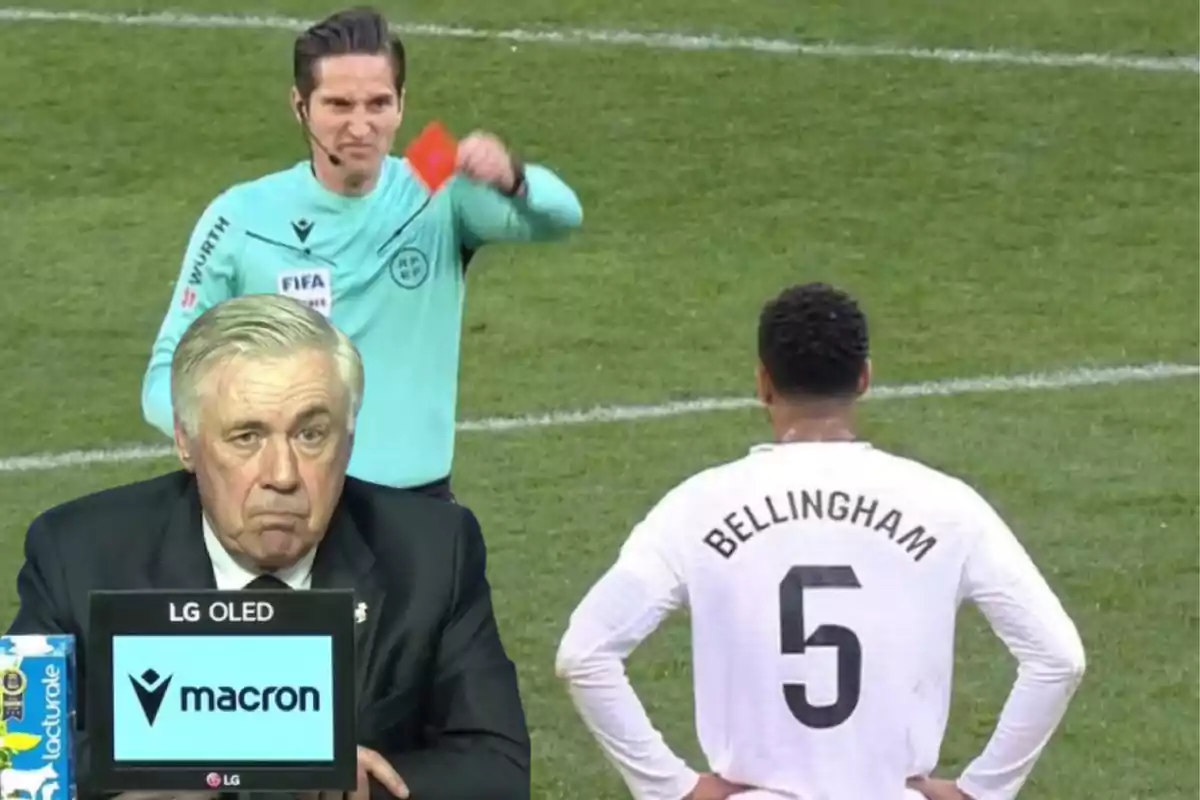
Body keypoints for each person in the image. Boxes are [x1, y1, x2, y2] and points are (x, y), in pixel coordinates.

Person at [554, 282, 1087, 800]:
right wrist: (984, 791)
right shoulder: (948, 505)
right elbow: (1058, 658)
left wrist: (671, 788)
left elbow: (584, 654)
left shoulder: (696, 506)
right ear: (864, 378)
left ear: (764, 382)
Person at [10, 295, 531, 800]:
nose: (281, 476)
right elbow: (21, 751)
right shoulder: (77, 553)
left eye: (311, 435)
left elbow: (497, 768)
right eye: (246, 437)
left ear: (349, 439)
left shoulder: (433, 552)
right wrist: (191, 774)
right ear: (185, 441)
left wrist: (361, 787)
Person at [140, 6, 584, 500]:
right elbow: (165, 373)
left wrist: (514, 176)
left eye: (377, 103)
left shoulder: (430, 181)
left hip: (421, 507)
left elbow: (563, 217)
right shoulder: (241, 215)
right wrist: (220, 436)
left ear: (401, 105)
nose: (360, 126)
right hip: (290, 510)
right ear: (300, 105)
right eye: (339, 105)